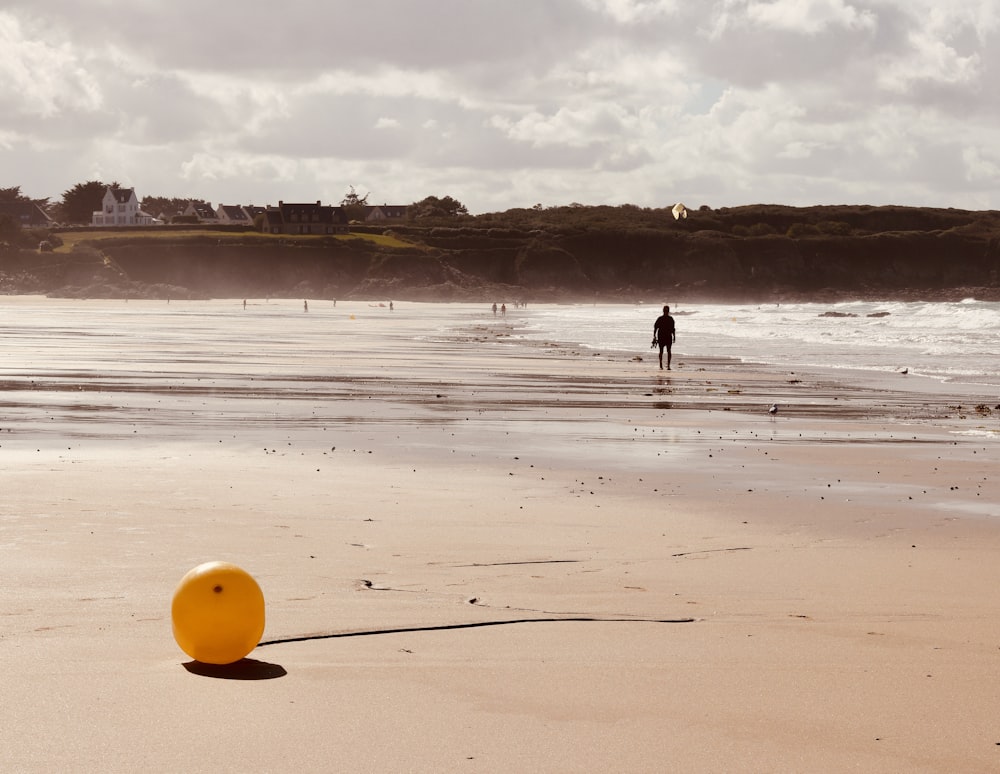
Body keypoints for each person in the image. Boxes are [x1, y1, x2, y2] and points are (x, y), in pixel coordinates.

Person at [652, 305, 676, 370]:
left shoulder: (660, 318)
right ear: (668, 311)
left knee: (662, 351)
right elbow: (673, 329)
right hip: (667, 336)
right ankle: (667, 365)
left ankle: (662, 365)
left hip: (662, 336)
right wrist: (674, 336)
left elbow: (655, 327)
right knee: (668, 351)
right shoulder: (670, 319)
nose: (666, 312)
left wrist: (654, 336)